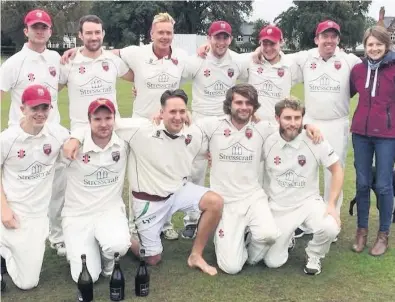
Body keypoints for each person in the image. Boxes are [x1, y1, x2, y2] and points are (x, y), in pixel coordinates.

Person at [64, 89, 224, 276]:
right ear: (161, 112)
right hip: (149, 201)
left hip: (178, 192)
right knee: (152, 259)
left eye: (182, 111)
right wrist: (76, 137)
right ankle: (128, 238)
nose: (178, 117)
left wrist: (213, 154)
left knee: (215, 202)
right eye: (172, 112)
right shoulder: (141, 129)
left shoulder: (192, 133)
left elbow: (209, 144)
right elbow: (104, 122)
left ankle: (196, 255)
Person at [0, 9, 67, 256]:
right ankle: (9, 235)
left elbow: (60, 85)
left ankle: (57, 236)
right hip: (21, 138)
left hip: (53, 134)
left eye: (44, 27)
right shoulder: (14, 63)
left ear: (50, 31)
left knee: (58, 188)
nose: (40, 31)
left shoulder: (56, 59)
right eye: (35, 27)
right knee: (21, 191)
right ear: (26, 30)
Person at [197, 84, 280, 274]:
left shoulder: (263, 127)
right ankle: (230, 238)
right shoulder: (212, 125)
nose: (244, 107)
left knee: (269, 236)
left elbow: (291, 126)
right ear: (229, 104)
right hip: (224, 201)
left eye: (249, 103)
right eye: (239, 102)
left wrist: (309, 126)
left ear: (255, 106)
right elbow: (185, 128)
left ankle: (249, 247)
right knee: (231, 267)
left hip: (252, 196)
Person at [290, 20, 361, 230]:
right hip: (311, 122)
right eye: (324, 36)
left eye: (333, 36)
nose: (329, 40)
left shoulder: (350, 60)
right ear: (316, 39)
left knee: (334, 172)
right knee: (305, 170)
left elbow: (372, 69)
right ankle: (305, 219)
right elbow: (275, 57)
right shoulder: (305, 57)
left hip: (337, 123)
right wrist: (257, 50)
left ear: (338, 39)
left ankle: (331, 217)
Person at [181, 20, 248, 239]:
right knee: (196, 171)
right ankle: (191, 219)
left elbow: (251, 79)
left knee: (227, 169)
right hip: (200, 122)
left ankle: (229, 214)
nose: (221, 42)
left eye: (225, 37)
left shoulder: (237, 60)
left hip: (226, 124)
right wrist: (183, 109)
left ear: (230, 39)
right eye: (216, 37)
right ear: (209, 39)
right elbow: (175, 81)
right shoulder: (197, 61)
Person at [261, 98, 342, 275]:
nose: (293, 123)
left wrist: (331, 204)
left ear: (303, 119)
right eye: (287, 118)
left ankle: (314, 254)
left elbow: (337, 169)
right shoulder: (267, 140)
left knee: (330, 226)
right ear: (277, 118)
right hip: (278, 206)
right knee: (272, 262)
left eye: (297, 118)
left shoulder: (315, 139)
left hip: (308, 202)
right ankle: (287, 237)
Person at [0, 85, 69, 289]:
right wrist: (4, 209)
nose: (40, 114)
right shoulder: (7, 139)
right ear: (23, 109)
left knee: (28, 283)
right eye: (34, 108)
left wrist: (76, 140)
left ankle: (5, 252)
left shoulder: (56, 134)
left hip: (38, 215)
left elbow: (79, 137)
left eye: (44, 108)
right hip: (11, 208)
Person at [61, 99, 131, 283]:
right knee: (85, 278)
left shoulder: (123, 142)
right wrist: (76, 136)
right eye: (97, 119)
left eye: (108, 118)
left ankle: (109, 265)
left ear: (115, 118)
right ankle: (83, 248)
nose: (103, 124)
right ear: (89, 120)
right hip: (78, 215)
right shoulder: (72, 146)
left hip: (109, 211)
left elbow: (148, 124)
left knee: (118, 246)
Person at [349, 26, 395, 256]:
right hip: (360, 134)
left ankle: (383, 234)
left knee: (385, 185)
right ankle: (362, 230)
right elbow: (345, 94)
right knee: (362, 183)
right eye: (370, 44)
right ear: (365, 47)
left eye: (378, 44)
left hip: (387, 136)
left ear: (386, 45)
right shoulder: (357, 70)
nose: (374, 48)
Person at [59, 14, 134, 131]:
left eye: (97, 32)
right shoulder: (68, 63)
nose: (94, 37)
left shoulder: (113, 60)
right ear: (80, 35)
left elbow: (139, 78)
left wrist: (138, 89)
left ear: (103, 34)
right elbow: (51, 92)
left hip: (111, 130)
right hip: (82, 132)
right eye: (88, 33)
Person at [248, 25, 302, 123]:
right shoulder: (251, 61)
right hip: (253, 124)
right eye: (265, 44)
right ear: (260, 44)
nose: (268, 48)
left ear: (281, 42)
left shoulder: (291, 64)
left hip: (279, 126)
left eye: (272, 44)